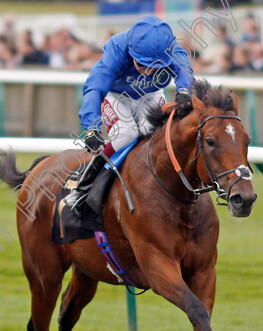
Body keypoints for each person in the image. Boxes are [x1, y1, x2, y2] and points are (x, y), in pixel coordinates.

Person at [63, 16, 194, 214]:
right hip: (117, 96)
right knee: (126, 134)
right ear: (131, 52)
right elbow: (94, 87)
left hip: (151, 95)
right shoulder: (116, 50)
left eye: (155, 67)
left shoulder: (171, 48)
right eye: (142, 65)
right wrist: (91, 127)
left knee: (153, 136)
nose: (148, 73)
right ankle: (84, 186)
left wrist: (184, 91)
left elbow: (184, 70)